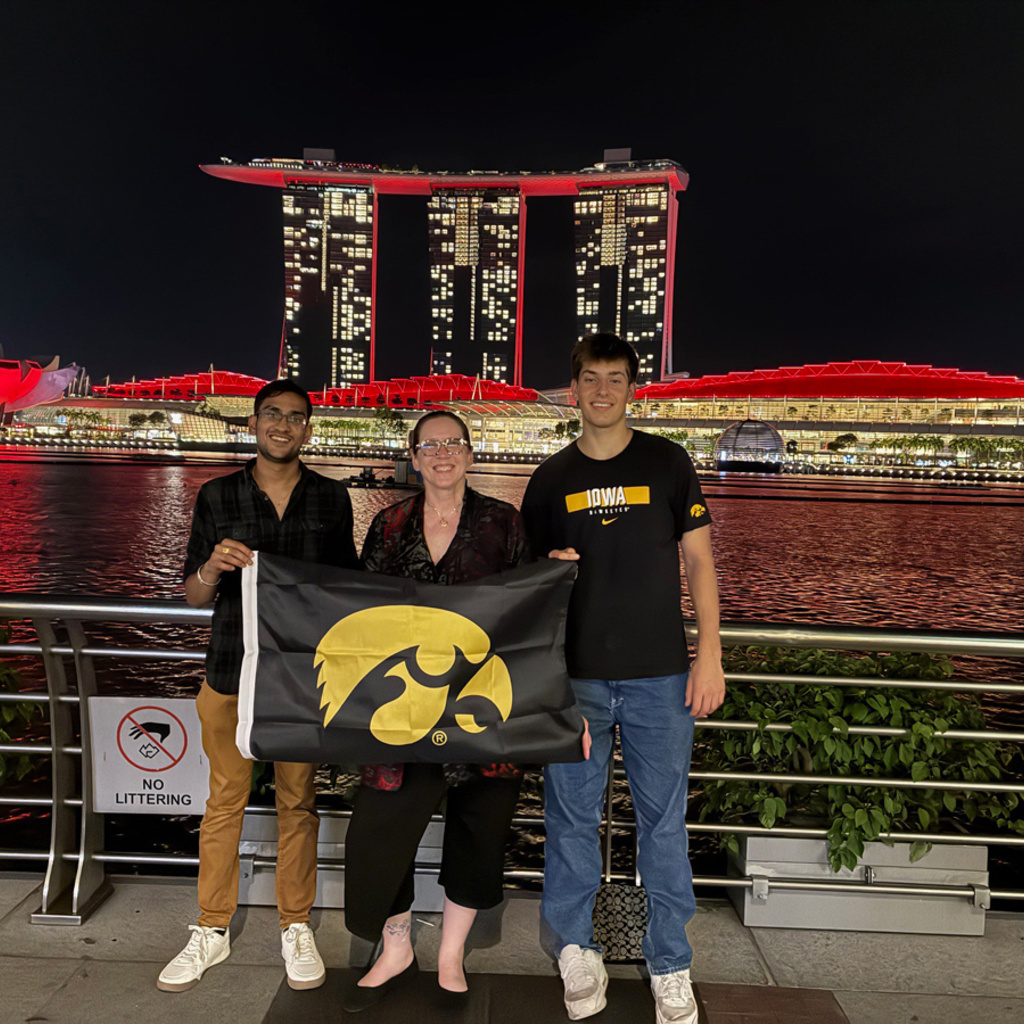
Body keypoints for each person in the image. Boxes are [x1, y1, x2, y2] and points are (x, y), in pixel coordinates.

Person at [520, 334, 725, 1024]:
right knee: (571, 820)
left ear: (632, 388)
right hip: (574, 679)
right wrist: (549, 563)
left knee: (664, 825)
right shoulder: (550, 479)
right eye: (589, 378)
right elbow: (528, 583)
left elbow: (698, 564)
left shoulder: (668, 462)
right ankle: (576, 953)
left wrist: (711, 655)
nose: (602, 390)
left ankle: (671, 963)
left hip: (661, 676)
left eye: (615, 378)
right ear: (572, 388)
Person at [158, 380, 359, 993]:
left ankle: (294, 923)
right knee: (224, 802)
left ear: (308, 430)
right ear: (254, 422)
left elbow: (347, 588)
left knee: (298, 802)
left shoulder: (330, 499)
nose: (283, 426)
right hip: (228, 670)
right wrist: (213, 566)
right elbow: (193, 593)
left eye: (296, 418)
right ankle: (210, 928)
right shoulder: (217, 495)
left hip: (299, 676)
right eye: (272, 415)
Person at [341, 410, 529, 1011]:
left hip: (481, 707)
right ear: (414, 458)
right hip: (401, 707)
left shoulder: (505, 524)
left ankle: (450, 954)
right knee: (379, 828)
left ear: (470, 455)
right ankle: (396, 946)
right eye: (430, 445)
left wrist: (561, 572)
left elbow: (530, 612)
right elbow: (361, 612)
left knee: (480, 827)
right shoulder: (388, 525)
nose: (442, 454)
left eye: (453, 443)